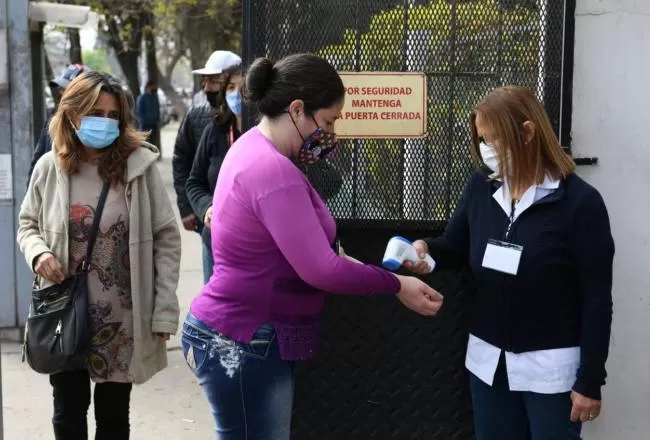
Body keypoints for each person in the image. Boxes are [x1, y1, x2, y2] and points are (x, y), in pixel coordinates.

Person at [181, 53, 445, 439]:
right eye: (327, 121)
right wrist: (397, 285)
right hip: (244, 338)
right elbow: (321, 269)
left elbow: (317, 255)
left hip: (238, 334)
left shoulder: (253, 147)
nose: (330, 132)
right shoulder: (273, 171)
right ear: (297, 109)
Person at [405, 86, 614, 439]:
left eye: (494, 140)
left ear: (529, 133)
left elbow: (596, 299)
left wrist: (590, 380)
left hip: (551, 371)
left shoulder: (580, 204)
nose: (487, 150)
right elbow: (455, 245)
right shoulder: (481, 188)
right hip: (488, 363)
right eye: (482, 140)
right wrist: (427, 253)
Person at [17, 71, 181, 440]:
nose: (105, 123)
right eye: (96, 113)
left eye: (112, 116)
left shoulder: (138, 168)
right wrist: (39, 253)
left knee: (112, 419)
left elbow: (167, 238)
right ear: (72, 114)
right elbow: (27, 224)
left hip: (122, 318)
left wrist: (164, 307)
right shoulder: (50, 168)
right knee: (68, 414)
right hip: (63, 311)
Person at [185, 63, 244, 284]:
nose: (236, 95)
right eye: (230, 88)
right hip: (216, 241)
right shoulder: (215, 130)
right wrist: (207, 208)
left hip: (257, 248)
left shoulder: (272, 133)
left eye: (242, 89)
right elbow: (194, 182)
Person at [173, 50, 242, 233]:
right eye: (205, 81)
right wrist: (189, 207)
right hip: (210, 224)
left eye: (213, 81)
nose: (206, 88)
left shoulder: (258, 125)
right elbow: (182, 163)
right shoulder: (197, 117)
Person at [29, 64, 91, 181]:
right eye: (62, 89)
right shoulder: (54, 117)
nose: (63, 93)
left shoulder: (95, 125)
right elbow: (37, 159)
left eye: (69, 88)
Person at [135, 79, 161, 154]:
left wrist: (157, 119)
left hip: (154, 123)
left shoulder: (155, 97)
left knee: (153, 142)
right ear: (148, 87)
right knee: (145, 142)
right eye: (153, 87)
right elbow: (139, 111)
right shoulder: (142, 97)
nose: (154, 88)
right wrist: (142, 121)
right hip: (145, 124)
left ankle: (153, 155)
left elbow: (157, 108)